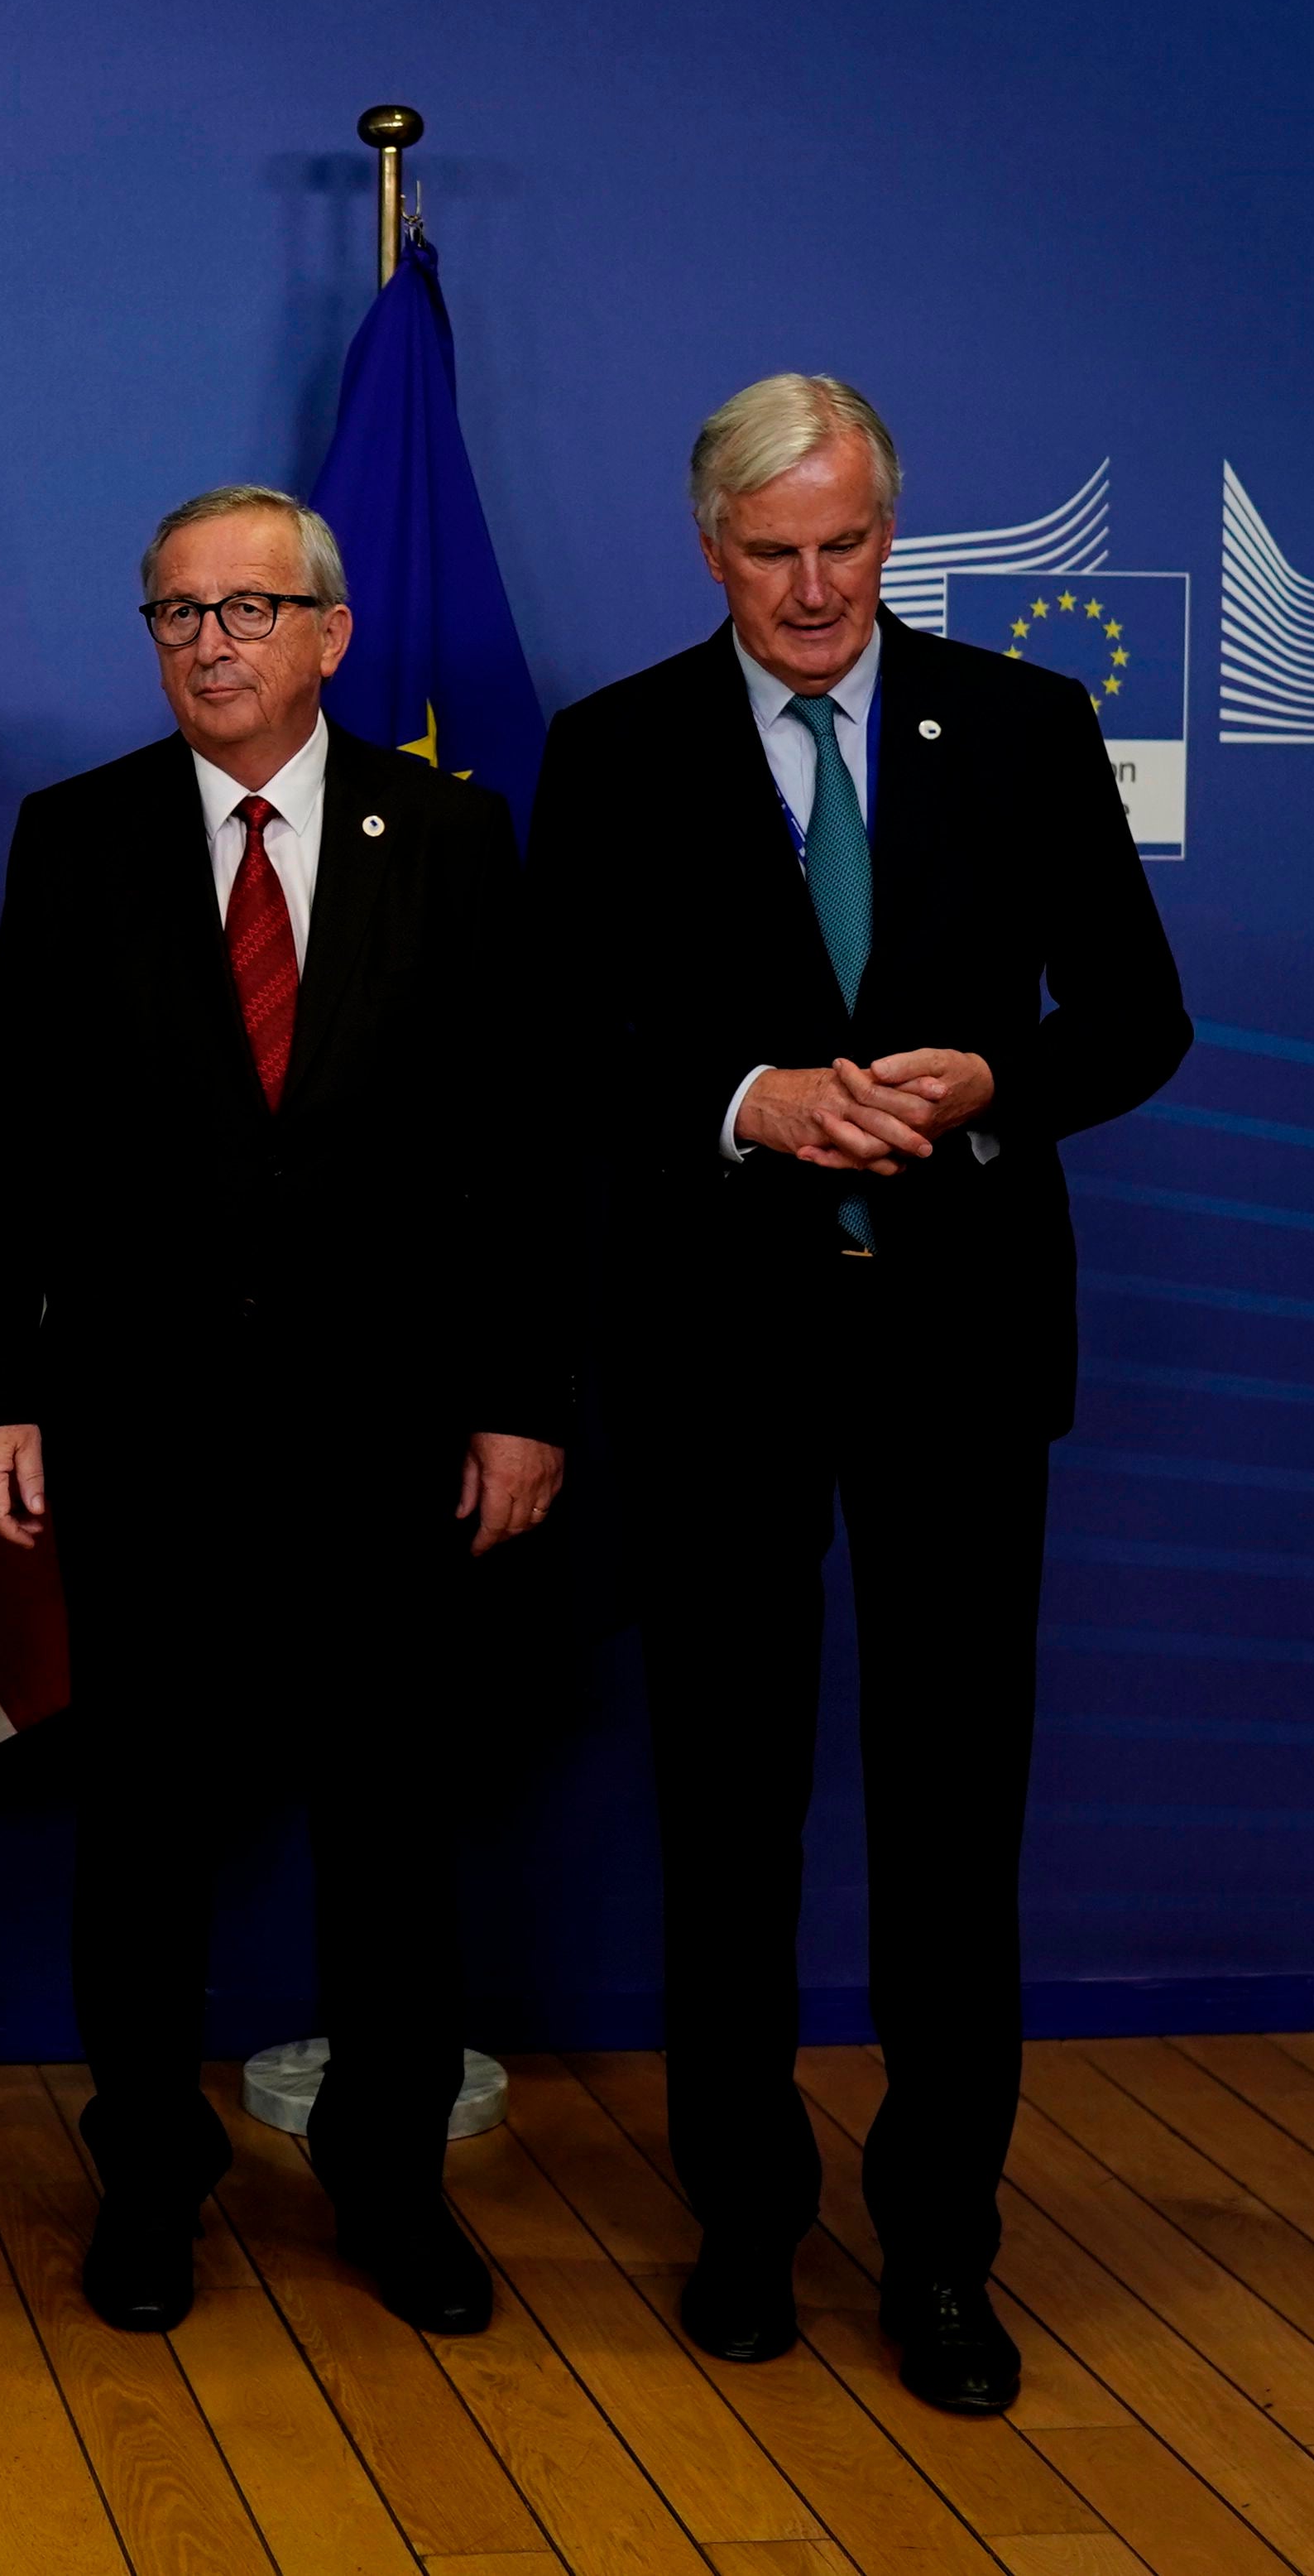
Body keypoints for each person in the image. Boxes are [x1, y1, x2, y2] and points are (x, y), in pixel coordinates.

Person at [534, 372, 1188, 2417]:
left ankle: (942, 2247)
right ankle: (744, 2217)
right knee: (726, 1810)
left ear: (891, 530)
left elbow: (1140, 1020)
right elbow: (556, 1048)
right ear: (707, 546)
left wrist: (997, 1080)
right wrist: (748, 1098)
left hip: (962, 1354)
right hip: (720, 1356)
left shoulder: (1020, 726)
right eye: (770, 551)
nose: (814, 588)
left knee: (949, 1817)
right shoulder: (618, 746)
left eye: (847, 543)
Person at [0, 486, 568, 2341]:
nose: (210, 641)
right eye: (176, 613)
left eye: (250, 607)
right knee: (140, 1838)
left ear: (332, 632)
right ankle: (148, 2172)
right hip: (143, 1435)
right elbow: (20, 1148)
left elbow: (524, 1151)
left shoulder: (450, 833)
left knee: (391, 1834)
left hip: (386, 1444)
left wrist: (521, 1397)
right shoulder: (79, 836)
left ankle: (389, 2174)